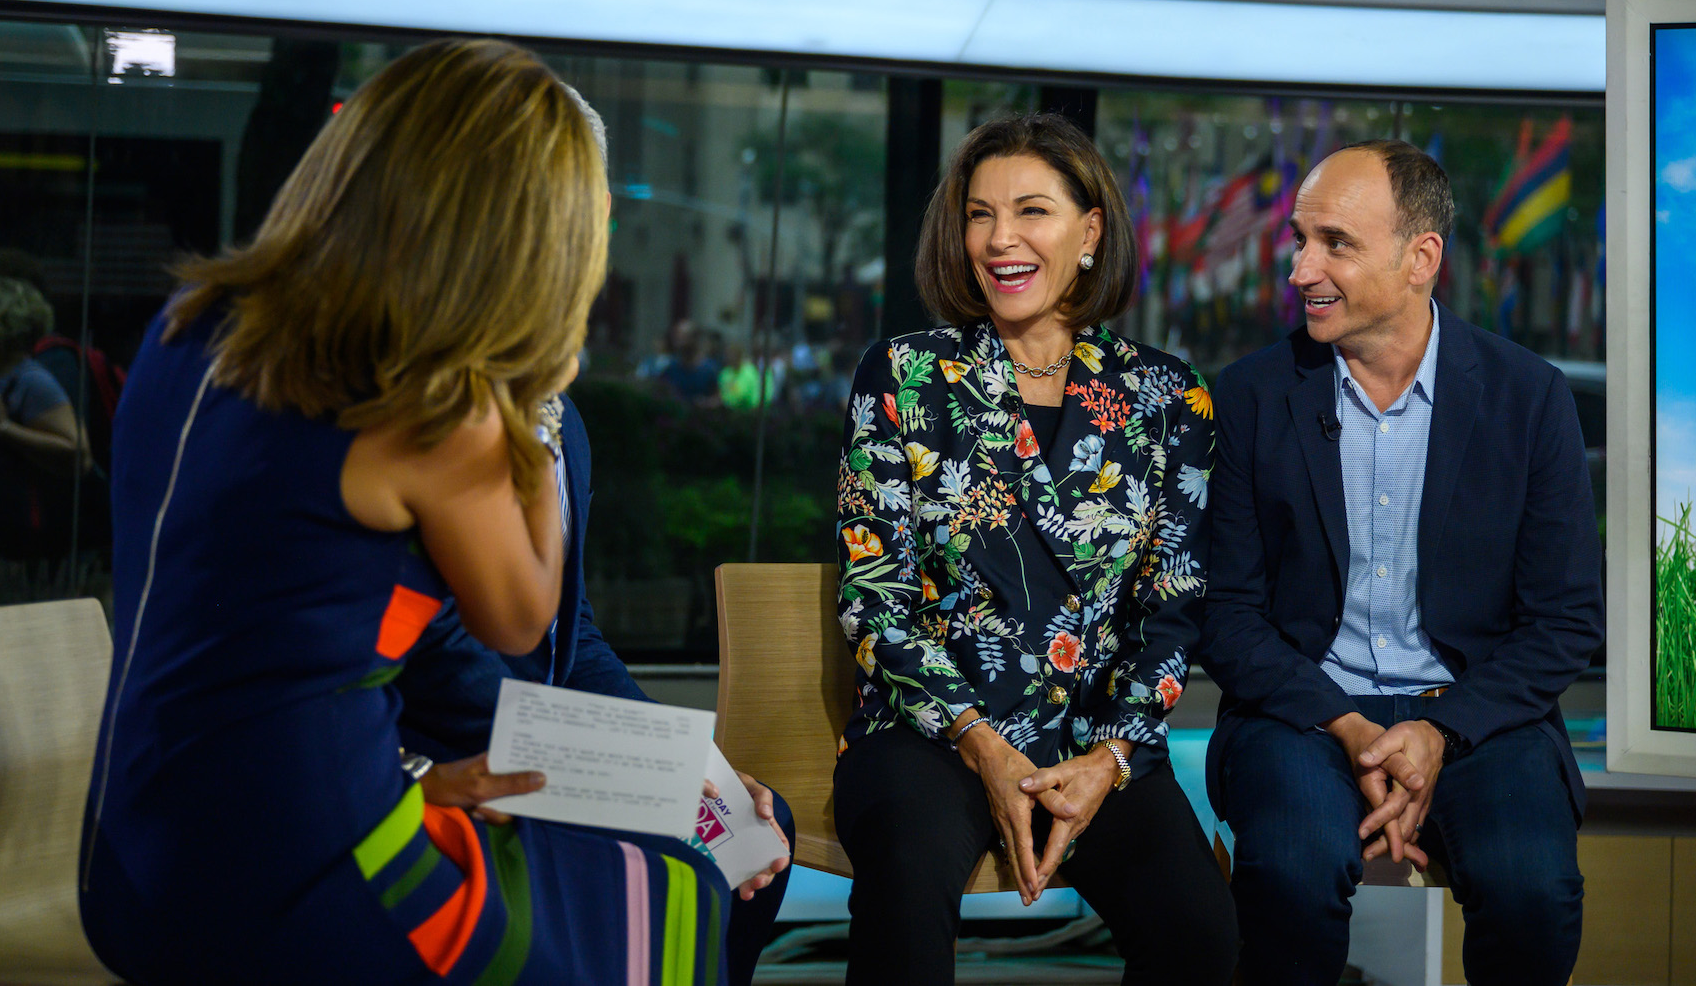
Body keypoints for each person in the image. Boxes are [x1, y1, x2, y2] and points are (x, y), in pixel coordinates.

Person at [79, 39, 730, 985]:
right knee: (678, 891)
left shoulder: (194, 324)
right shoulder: (439, 413)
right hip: (302, 881)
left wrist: (422, 778)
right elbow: (523, 612)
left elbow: (268, 654)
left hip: (135, 858)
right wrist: (535, 386)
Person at [390, 88, 793, 986]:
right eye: (581, 223)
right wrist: (620, 763)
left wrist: (691, 759)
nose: (595, 257)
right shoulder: (428, 411)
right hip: (452, 756)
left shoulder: (560, 414)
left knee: (762, 829)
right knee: (682, 854)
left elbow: (569, 632)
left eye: (602, 221)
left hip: (544, 736)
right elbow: (452, 650)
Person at [833, 113, 1237, 986]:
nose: (1000, 239)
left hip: (1099, 744)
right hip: (934, 735)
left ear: (1090, 232)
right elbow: (875, 593)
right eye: (979, 214)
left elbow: (1177, 605)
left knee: (1202, 933)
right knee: (904, 883)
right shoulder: (902, 375)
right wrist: (983, 743)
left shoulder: (1170, 395)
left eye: (1031, 211)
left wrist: (1113, 757)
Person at [1198, 141, 1603, 986]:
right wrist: (1354, 729)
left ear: (1421, 258)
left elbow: (1565, 620)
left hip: (1478, 712)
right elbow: (1228, 617)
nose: (1302, 267)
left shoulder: (1530, 397)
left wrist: (1437, 731)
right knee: (1288, 875)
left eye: (1335, 242)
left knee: (1535, 890)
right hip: (1303, 710)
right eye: (1300, 239)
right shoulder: (1249, 395)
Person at [0, 275, 90, 604]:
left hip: (12, 570)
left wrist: (4, 428)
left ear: (1, 322)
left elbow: (78, 452)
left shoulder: (30, 381)